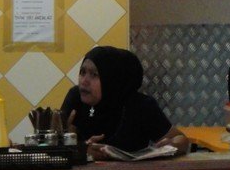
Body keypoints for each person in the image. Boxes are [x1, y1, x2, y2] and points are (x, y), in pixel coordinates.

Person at [61, 46, 189, 159]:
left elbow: (181, 139)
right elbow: (49, 149)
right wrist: (79, 149)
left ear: (113, 79)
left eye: (94, 75)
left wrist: (172, 146)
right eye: (82, 73)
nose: (84, 81)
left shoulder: (140, 105)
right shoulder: (75, 98)